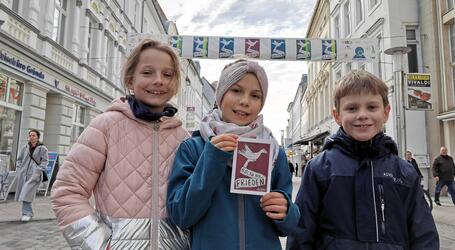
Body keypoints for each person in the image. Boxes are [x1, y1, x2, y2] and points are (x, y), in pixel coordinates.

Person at [51, 39, 190, 249]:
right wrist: (98, 243)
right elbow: (67, 190)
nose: (159, 80)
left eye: (168, 74)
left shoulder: (184, 137)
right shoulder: (105, 126)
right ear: (130, 78)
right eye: (147, 72)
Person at [287, 70, 439, 249]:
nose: (362, 115)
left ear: (386, 112)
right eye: (352, 108)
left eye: (372, 107)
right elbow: (302, 230)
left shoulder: (404, 172)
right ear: (337, 115)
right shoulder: (320, 168)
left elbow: (423, 234)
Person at [167, 59, 300, 249]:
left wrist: (286, 211)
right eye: (236, 90)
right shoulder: (193, 148)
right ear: (220, 95)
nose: (245, 101)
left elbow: (289, 226)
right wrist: (211, 159)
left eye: (255, 95)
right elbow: (181, 215)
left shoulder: (273, 152)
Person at [15, 129, 49, 222]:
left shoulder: (43, 148)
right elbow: (19, 159)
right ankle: (28, 213)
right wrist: (19, 169)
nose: (31, 137)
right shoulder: (25, 147)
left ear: (38, 137)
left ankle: (26, 214)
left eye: (34, 135)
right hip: (23, 174)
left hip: (34, 175)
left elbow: (45, 161)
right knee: (25, 194)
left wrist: (37, 171)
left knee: (26, 193)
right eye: (30, 135)